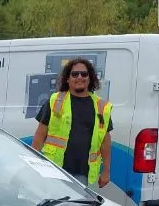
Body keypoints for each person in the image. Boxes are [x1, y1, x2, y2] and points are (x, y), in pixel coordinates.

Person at [30, 58, 112, 188]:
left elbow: (105, 141)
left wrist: (106, 171)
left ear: (90, 78)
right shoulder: (55, 100)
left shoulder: (101, 107)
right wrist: (34, 164)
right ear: (67, 79)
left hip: (83, 173)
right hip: (55, 169)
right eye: (74, 74)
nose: (79, 77)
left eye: (84, 74)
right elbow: (40, 134)